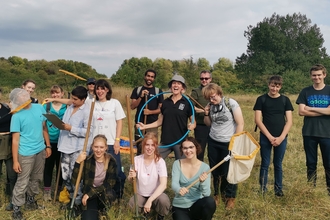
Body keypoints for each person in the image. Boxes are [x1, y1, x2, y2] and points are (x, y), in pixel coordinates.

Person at [10, 88, 51, 220]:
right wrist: (16, 161)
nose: (24, 96)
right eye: (20, 96)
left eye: (24, 94)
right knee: (23, 181)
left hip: (40, 149)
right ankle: (16, 207)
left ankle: (31, 201)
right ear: (17, 100)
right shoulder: (16, 116)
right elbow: (15, 140)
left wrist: (48, 145)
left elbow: (44, 128)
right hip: (25, 153)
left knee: (36, 178)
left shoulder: (39, 107)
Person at [202, 83, 244, 210]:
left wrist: (235, 142)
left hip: (228, 142)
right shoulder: (210, 106)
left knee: (229, 171)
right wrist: (205, 113)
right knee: (215, 170)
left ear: (219, 93)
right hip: (213, 141)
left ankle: (230, 197)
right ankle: (216, 195)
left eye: (213, 97)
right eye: (209, 98)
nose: (211, 100)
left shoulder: (230, 103)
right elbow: (208, 123)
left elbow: (240, 123)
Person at [137, 74, 196, 159]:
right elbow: (159, 121)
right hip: (165, 141)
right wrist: (144, 126)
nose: (176, 85)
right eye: (174, 83)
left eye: (179, 83)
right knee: (155, 160)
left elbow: (193, 122)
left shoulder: (187, 103)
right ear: (171, 86)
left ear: (182, 88)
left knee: (181, 166)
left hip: (181, 141)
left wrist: (192, 125)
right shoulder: (165, 102)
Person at [253, 75, 293, 197]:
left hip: (281, 137)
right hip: (265, 136)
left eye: (277, 86)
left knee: (278, 163)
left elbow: (289, 121)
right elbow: (258, 120)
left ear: (280, 86)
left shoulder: (285, 100)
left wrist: (281, 137)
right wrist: (269, 137)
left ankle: (278, 189)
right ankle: (263, 189)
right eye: (272, 86)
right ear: (268, 85)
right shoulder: (261, 99)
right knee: (265, 163)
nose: (274, 89)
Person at [296, 64, 330, 195]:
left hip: (327, 133)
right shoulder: (305, 91)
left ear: (324, 75)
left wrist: (310, 108)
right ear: (311, 76)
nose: (317, 77)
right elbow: (301, 112)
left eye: (319, 75)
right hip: (309, 133)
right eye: (314, 75)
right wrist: (324, 111)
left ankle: (329, 191)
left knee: (328, 164)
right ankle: (310, 189)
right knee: (311, 163)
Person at [57, 86, 91, 211]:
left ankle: (77, 203)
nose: (73, 101)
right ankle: (69, 199)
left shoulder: (87, 111)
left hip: (76, 148)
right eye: (72, 98)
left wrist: (71, 128)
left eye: (76, 99)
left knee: (75, 176)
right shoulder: (70, 107)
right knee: (65, 175)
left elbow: (88, 132)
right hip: (64, 146)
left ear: (83, 100)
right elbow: (64, 124)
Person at [92, 79, 126, 200]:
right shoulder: (91, 103)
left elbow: (119, 122)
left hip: (111, 142)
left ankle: (117, 195)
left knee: (116, 171)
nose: (100, 91)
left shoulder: (114, 103)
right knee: (96, 171)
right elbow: (73, 100)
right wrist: (54, 99)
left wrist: (117, 140)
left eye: (103, 88)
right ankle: (97, 195)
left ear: (107, 90)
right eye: (98, 88)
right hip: (96, 144)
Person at [72, 134, 117, 220]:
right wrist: (77, 162)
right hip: (90, 196)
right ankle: (92, 211)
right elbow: (74, 181)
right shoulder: (87, 161)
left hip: (102, 194)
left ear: (106, 147)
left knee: (109, 194)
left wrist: (90, 194)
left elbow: (110, 184)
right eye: (96, 147)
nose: (98, 150)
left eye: (101, 147)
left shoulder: (111, 162)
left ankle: (104, 210)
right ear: (92, 147)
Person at [128, 132, 170, 220]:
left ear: (156, 146)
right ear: (143, 145)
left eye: (152, 145)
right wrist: (132, 177)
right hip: (141, 194)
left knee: (164, 200)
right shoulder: (136, 160)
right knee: (132, 203)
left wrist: (150, 200)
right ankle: (143, 214)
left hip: (156, 194)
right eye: (147, 145)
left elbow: (163, 184)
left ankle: (160, 216)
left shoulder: (160, 161)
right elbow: (130, 180)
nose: (150, 148)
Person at [171, 136, 216, 220]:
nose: (188, 151)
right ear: (182, 150)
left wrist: (203, 182)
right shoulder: (177, 164)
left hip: (196, 205)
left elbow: (206, 194)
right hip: (180, 206)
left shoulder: (205, 167)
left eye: (191, 147)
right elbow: (174, 184)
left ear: (196, 148)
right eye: (185, 148)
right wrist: (179, 189)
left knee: (210, 202)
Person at [130, 69, 164, 155]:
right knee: (140, 147)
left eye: (152, 77)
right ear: (145, 77)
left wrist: (150, 112)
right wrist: (140, 97)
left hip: (152, 125)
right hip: (140, 123)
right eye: (148, 76)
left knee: (152, 148)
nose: (150, 78)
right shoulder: (137, 90)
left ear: (154, 79)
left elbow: (161, 109)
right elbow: (132, 106)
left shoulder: (158, 91)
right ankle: (139, 166)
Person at [43, 85, 67, 201]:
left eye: (57, 93)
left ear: (62, 94)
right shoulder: (46, 106)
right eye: (53, 93)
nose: (55, 95)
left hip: (63, 142)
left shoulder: (68, 107)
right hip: (49, 141)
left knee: (61, 167)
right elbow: (43, 125)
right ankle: (47, 191)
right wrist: (47, 144)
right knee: (48, 166)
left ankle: (58, 189)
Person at [0, 88, 17, 211]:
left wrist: (13, 110)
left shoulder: (7, 108)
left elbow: (15, 122)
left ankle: (12, 199)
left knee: (12, 174)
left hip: (10, 142)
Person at [190, 70, 212, 161]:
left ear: (210, 79)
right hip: (201, 125)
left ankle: (215, 173)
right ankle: (199, 170)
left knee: (212, 150)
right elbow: (191, 107)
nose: (204, 80)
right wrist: (203, 111)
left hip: (214, 125)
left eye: (206, 78)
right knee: (200, 150)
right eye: (202, 78)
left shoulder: (214, 90)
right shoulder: (196, 91)